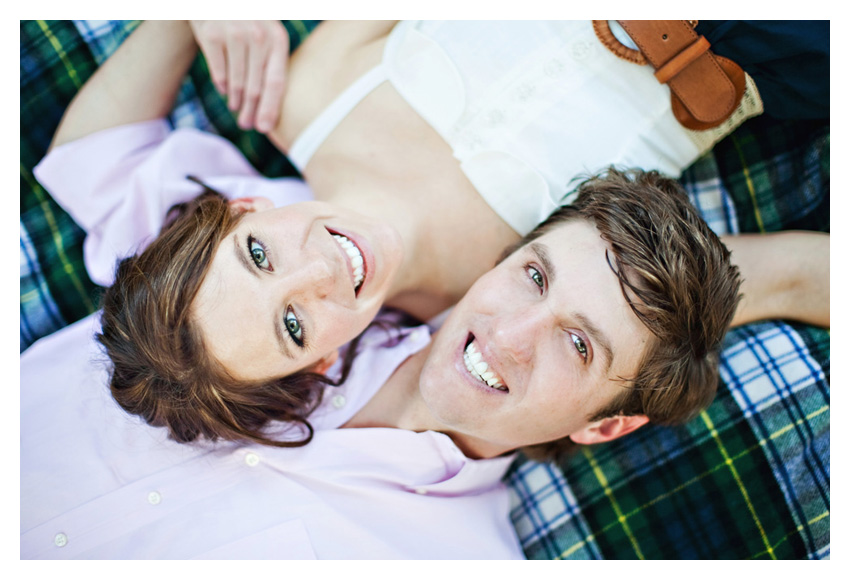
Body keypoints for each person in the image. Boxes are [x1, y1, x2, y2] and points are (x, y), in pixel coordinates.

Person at [36, 20, 829, 450]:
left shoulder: (310, 98)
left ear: (243, 209)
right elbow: (797, 275)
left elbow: (86, 154)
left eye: (259, 256)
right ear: (322, 361)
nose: (317, 271)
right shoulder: (512, 296)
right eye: (292, 323)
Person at [22, 166, 740, 559]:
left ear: (606, 427)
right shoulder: (255, 269)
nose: (509, 335)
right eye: (534, 277)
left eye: (578, 345)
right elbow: (98, 158)